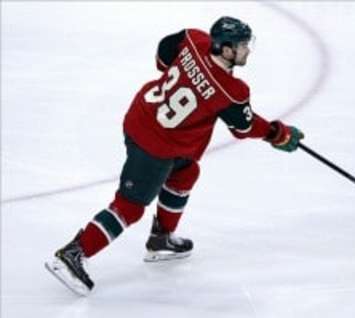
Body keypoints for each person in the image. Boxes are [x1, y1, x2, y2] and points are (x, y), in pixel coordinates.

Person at [45, 16, 304, 296]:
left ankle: (160, 240)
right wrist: (278, 133)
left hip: (145, 118)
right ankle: (73, 254)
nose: (247, 50)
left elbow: (161, 55)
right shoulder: (232, 91)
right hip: (154, 145)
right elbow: (244, 126)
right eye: (242, 45)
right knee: (129, 207)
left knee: (186, 172)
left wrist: (191, 75)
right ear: (226, 49)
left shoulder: (194, 39)